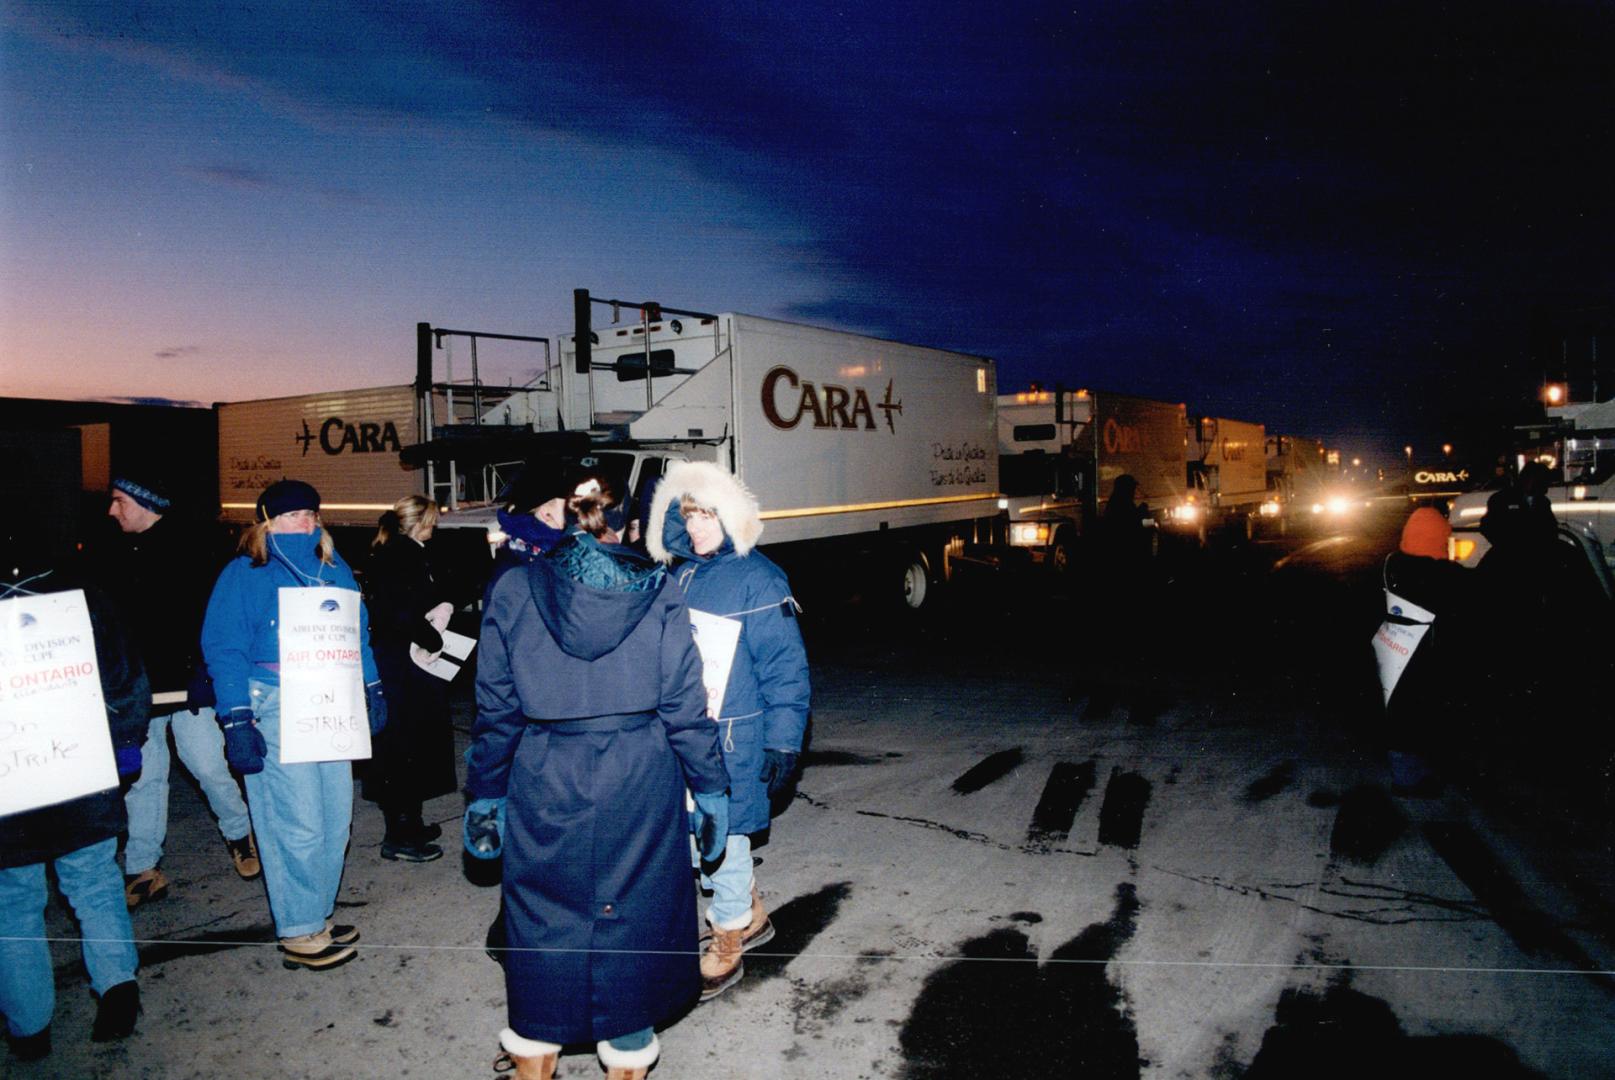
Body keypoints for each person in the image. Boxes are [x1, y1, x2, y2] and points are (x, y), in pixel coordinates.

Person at [465, 481, 730, 1080]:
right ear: (628, 528)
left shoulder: (511, 586)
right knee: (632, 911)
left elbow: (497, 708)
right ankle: (628, 1049)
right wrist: (710, 790)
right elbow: (686, 705)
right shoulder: (659, 589)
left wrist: (486, 794)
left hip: (544, 769)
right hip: (639, 771)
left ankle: (535, 1047)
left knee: (540, 916)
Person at [200, 479, 385, 971]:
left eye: (309, 513)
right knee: (295, 821)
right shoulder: (246, 572)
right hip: (278, 701)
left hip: (331, 699)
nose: (302, 522)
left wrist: (372, 687)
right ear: (266, 521)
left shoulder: (333, 567)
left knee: (333, 818)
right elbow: (224, 648)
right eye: (289, 516)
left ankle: (315, 913)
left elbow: (356, 634)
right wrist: (236, 717)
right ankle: (300, 929)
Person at [646, 461, 811, 1000]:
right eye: (688, 514)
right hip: (688, 733)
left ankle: (728, 938)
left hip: (735, 740)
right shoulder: (680, 573)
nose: (695, 527)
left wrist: (784, 742)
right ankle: (749, 914)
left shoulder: (759, 577)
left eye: (706, 515)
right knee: (703, 838)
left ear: (731, 516)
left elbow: (785, 669)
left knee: (725, 841)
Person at [1, 525, 149, 1060]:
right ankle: (117, 990)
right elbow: (125, 677)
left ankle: (29, 1026)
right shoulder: (83, 598)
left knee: (12, 903)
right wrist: (127, 742)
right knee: (93, 882)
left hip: (10, 785)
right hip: (78, 770)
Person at [101, 469, 260, 909]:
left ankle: (239, 833)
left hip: (188, 688)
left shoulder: (192, 552)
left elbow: (215, 621)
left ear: (147, 503)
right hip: (138, 693)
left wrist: (204, 674)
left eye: (120, 501)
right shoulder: (109, 553)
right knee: (144, 779)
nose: (112, 510)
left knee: (208, 765)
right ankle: (143, 868)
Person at [362, 496, 457, 863]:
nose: (435, 526)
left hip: (405, 662)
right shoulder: (400, 556)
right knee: (403, 746)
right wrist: (432, 637)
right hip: (403, 666)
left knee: (412, 744)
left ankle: (410, 820)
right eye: (431, 520)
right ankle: (399, 832)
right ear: (418, 521)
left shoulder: (402, 551)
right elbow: (400, 610)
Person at [1376, 507, 1471, 795]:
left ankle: (1406, 775)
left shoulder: (1390, 565)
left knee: (1400, 715)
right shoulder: (1446, 576)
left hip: (1394, 652)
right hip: (1426, 656)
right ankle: (1413, 780)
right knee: (1424, 713)